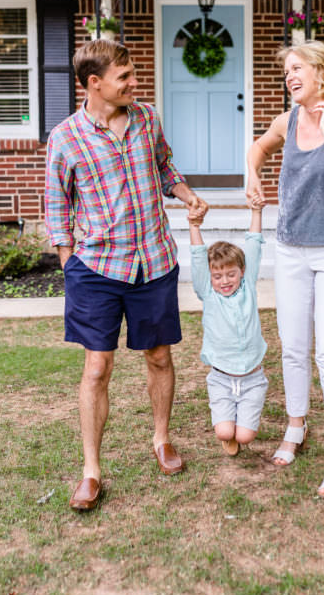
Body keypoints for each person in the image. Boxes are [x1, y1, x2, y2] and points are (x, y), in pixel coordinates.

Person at [45, 39, 208, 511]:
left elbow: (163, 166)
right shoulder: (65, 137)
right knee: (97, 366)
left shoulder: (147, 118)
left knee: (159, 356)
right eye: (125, 77)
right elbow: (58, 209)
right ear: (94, 83)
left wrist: (185, 193)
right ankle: (91, 471)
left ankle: (161, 440)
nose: (135, 83)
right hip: (95, 267)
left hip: (153, 259)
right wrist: (69, 265)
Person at [246, 41, 324, 498]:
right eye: (287, 71)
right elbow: (257, 148)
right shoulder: (286, 120)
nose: (290, 77)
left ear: (322, 72)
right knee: (294, 347)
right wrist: (253, 173)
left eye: (298, 68)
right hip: (292, 249)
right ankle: (295, 428)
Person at [188, 196, 268, 457]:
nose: (225, 280)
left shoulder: (248, 288)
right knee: (224, 432)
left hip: (252, 379)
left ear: (242, 272)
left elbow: (254, 245)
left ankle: (241, 422)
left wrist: (256, 211)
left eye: (231, 274)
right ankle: (228, 423)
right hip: (221, 379)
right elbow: (199, 258)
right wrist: (194, 226)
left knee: (245, 436)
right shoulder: (208, 294)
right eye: (218, 275)